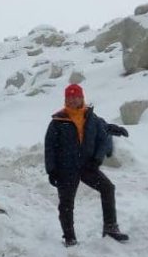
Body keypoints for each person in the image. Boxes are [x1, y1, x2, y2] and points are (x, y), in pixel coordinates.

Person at [44, 84, 130, 247]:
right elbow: (49, 147)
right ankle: (70, 238)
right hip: (66, 170)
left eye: (76, 97)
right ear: (65, 100)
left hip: (87, 166)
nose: (73, 100)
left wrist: (97, 159)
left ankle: (110, 227)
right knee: (66, 204)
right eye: (69, 97)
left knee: (107, 188)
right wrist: (52, 170)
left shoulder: (91, 117)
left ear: (82, 98)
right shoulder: (58, 121)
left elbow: (103, 131)